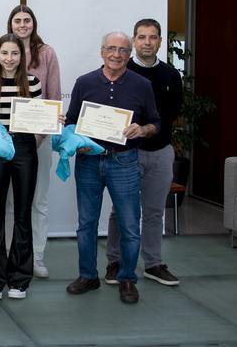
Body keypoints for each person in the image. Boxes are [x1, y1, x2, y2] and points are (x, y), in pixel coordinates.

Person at [65, 32, 160, 304]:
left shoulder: (142, 84)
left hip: (125, 161)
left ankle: (127, 279)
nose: (116, 54)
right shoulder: (84, 82)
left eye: (122, 50)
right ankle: (88, 276)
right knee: (86, 225)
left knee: (130, 225)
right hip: (88, 161)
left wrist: (142, 129)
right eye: (111, 49)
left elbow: (156, 122)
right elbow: (71, 121)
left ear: (129, 54)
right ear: (101, 51)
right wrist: (76, 141)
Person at [104, 19, 182, 287]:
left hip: (160, 152)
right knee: (120, 211)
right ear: (134, 41)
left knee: (153, 211)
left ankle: (153, 263)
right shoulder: (121, 71)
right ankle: (115, 262)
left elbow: (172, 113)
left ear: (160, 41)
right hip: (126, 154)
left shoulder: (172, 75)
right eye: (141, 37)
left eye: (152, 37)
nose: (147, 42)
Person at [0, 34, 48, 300]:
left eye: (14, 54)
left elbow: (40, 121)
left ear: (22, 56)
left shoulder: (32, 83)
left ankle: (19, 279)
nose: (9, 59)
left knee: (22, 215)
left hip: (25, 149)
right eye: (4, 53)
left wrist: (51, 121)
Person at [5, 5, 61, 278]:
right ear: (11, 24)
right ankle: (7, 253)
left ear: (34, 23)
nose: (23, 25)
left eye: (27, 20)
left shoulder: (47, 53)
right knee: (10, 202)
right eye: (18, 20)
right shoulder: (4, 51)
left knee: (38, 201)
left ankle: (36, 257)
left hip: (39, 140)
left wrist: (39, 137)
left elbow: (53, 97)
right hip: (8, 142)